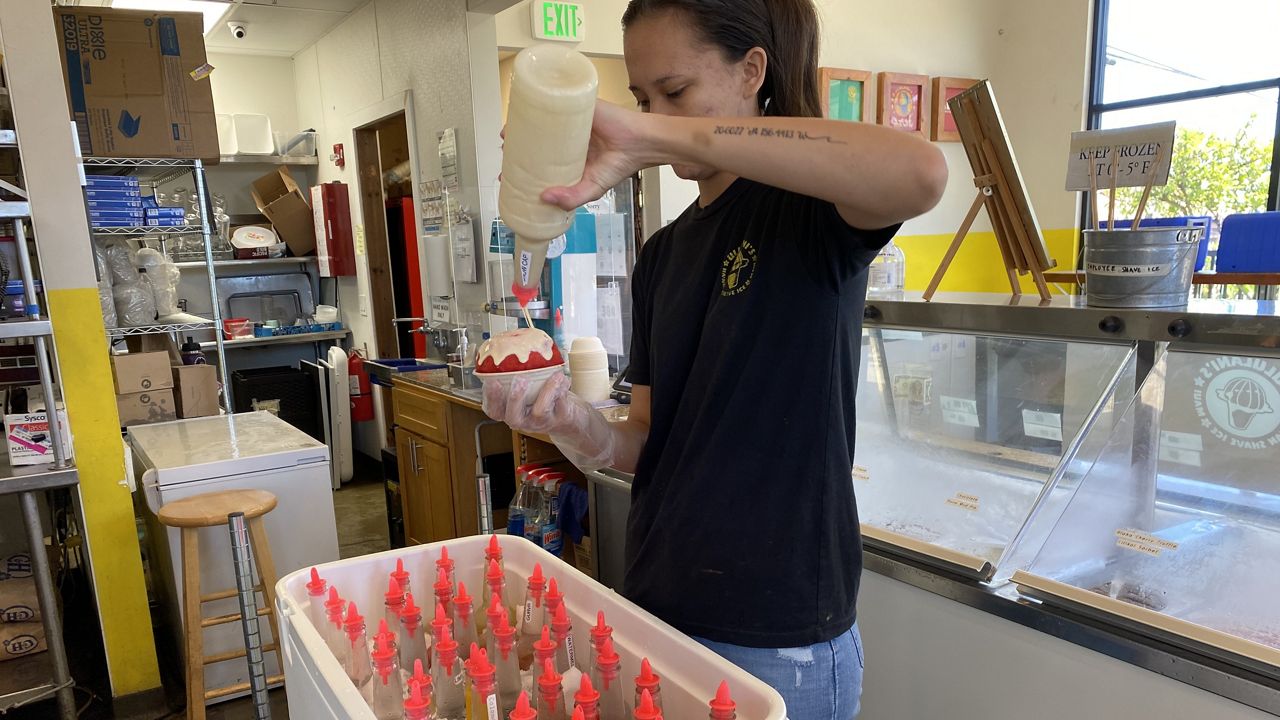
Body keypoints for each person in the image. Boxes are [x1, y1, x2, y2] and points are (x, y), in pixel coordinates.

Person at [483, 1, 946, 717]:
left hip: (775, 636)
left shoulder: (808, 210)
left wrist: (644, 130)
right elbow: (643, 442)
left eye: (675, 92)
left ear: (751, 70)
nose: (655, 119)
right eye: (642, 100)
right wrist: (575, 424)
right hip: (658, 609)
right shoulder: (663, 254)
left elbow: (919, 172)